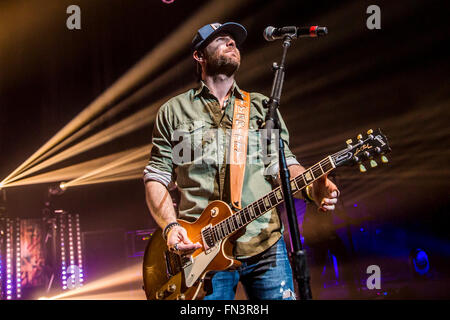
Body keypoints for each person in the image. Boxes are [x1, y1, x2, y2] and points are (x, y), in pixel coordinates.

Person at [143, 22, 340, 300]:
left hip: (265, 246)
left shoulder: (261, 108)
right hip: (200, 252)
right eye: (221, 39)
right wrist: (171, 227)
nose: (232, 43)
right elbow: (157, 178)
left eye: (234, 40)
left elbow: (282, 166)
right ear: (199, 55)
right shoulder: (174, 112)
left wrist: (310, 188)